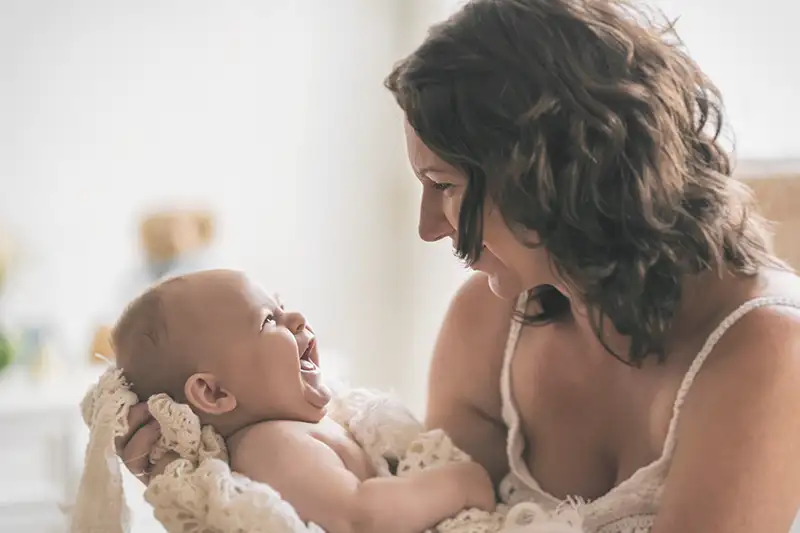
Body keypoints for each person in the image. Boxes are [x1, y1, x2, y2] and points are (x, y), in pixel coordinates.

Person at [117, 1, 800, 531]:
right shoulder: (490, 318)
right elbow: (416, 512)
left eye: (444, 186)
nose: (428, 227)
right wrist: (212, 465)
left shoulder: (766, 348)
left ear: (549, 173)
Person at [111, 269, 496, 533]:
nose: (294, 317)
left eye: (281, 305)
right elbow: (360, 517)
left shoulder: (292, 427)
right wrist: (459, 485)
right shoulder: (272, 444)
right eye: (267, 321)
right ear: (214, 393)